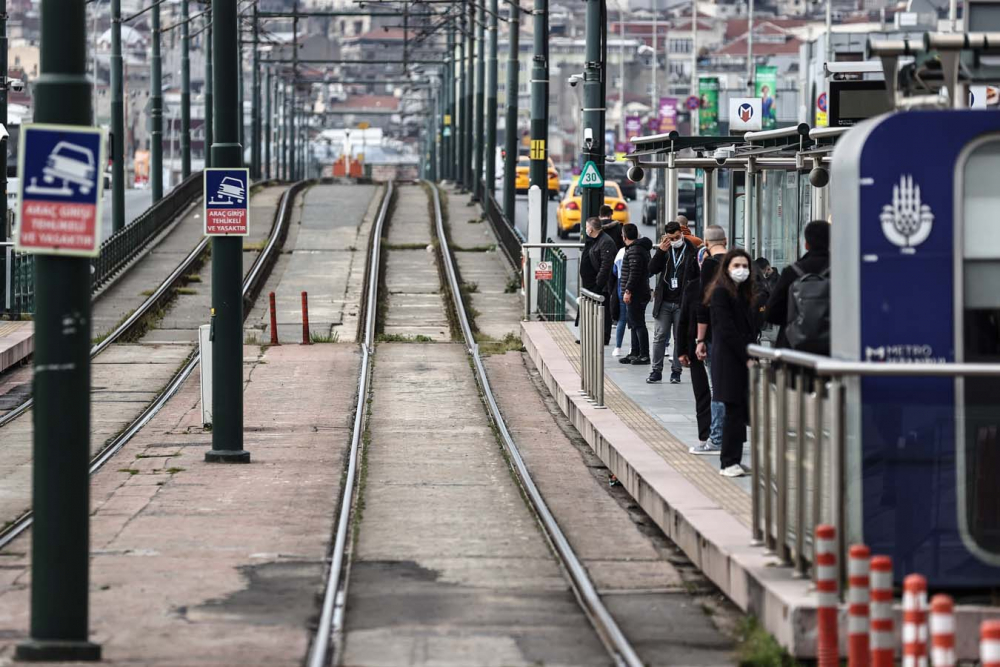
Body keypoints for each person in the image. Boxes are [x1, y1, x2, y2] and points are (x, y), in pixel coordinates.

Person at [705, 248, 758, 477]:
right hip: (728, 359)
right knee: (733, 411)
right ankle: (728, 462)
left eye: (745, 266)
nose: (741, 270)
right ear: (726, 269)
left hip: (739, 358)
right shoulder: (720, 293)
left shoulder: (743, 293)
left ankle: (733, 459)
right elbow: (726, 329)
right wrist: (746, 356)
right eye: (736, 266)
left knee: (738, 411)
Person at [647, 220, 700, 384]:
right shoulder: (664, 250)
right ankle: (656, 370)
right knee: (660, 335)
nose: (674, 240)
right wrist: (660, 253)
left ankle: (676, 371)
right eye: (671, 238)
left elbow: (697, 275)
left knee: (679, 337)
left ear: (681, 234)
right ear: (666, 237)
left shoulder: (691, 250)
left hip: (682, 302)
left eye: (677, 237)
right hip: (664, 300)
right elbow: (651, 270)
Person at [690, 225, 728, 455]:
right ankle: (731, 435)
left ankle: (716, 438)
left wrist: (699, 339)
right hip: (740, 336)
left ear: (705, 241)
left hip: (715, 334)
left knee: (718, 387)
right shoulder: (740, 262)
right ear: (726, 239)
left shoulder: (710, 266)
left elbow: (703, 304)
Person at [765, 220, 830, 351]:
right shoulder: (842, 272)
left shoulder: (792, 272)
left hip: (794, 350)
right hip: (831, 349)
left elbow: (771, 313)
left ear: (806, 244)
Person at [676, 253, 712, 449]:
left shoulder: (728, 286)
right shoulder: (692, 287)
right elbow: (683, 321)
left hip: (719, 348)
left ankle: (720, 434)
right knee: (702, 393)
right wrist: (681, 350)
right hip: (695, 349)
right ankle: (705, 435)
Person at [618, 223, 652, 364]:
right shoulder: (635, 249)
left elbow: (635, 273)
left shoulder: (634, 251)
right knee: (632, 322)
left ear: (625, 236)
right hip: (637, 291)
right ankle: (634, 352)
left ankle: (644, 355)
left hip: (636, 293)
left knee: (638, 323)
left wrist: (628, 290)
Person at [584, 216, 617, 345]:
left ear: (591, 229)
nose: (585, 229)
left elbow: (606, 265)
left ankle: (604, 337)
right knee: (592, 311)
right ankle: (591, 336)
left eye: (587, 227)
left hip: (602, 284)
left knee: (603, 311)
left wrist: (598, 284)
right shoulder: (595, 240)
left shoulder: (605, 242)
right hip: (593, 282)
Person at [611, 244, 628, 356]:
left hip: (621, 285)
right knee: (636, 320)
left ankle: (618, 347)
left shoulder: (621, 251)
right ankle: (634, 348)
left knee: (622, 318)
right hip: (637, 287)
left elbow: (615, 271)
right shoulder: (642, 250)